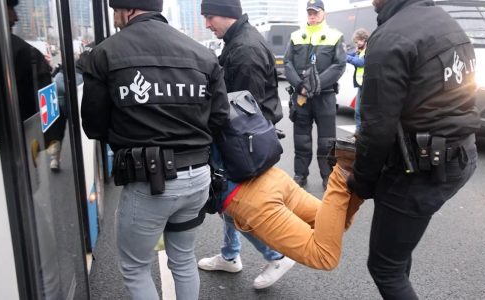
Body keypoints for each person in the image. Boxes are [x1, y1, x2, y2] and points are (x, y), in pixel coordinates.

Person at [80, 0, 229, 299]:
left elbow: (93, 125)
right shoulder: (203, 53)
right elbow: (220, 117)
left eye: (115, 9)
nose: (115, 16)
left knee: (135, 267)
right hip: (198, 177)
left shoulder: (106, 53)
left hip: (149, 181)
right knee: (184, 259)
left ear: (129, 9)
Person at [347, 0, 480, 299]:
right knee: (398, 252)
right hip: (461, 154)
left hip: (420, 169)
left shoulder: (391, 36)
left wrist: (362, 180)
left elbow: (376, 127)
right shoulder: (446, 23)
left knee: (385, 267)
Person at [198, 0, 292, 290]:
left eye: (210, 16)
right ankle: (229, 255)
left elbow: (239, 109)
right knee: (229, 201)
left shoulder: (244, 50)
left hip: (243, 141)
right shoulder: (240, 40)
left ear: (228, 14)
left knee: (233, 201)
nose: (207, 24)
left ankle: (276, 255)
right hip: (248, 138)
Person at [211, 134, 364, 270]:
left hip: (247, 196)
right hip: (270, 175)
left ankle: (345, 168)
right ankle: (357, 172)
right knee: (337, 222)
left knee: (324, 256)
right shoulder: (214, 103)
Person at [284, 0, 346, 189]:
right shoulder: (295, 36)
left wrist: (316, 84)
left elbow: (339, 65)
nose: (312, 16)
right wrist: (301, 85)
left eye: (316, 12)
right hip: (301, 96)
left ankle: (328, 176)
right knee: (301, 140)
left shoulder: (335, 35)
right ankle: (300, 175)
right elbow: (287, 63)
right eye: (309, 12)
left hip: (324, 96)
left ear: (323, 14)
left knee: (327, 142)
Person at [346, 28, 369, 133]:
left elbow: (360, 62)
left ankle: (360, 134)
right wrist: (346, 54)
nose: (356, 44)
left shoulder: (368, 49)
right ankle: (358, 133)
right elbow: (351, 55)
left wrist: (347, 58)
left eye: (358, 41)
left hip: (366, 85)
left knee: (360, 111)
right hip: (361, 85)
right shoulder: (360, 49)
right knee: (358, 111)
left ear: (363, 39)